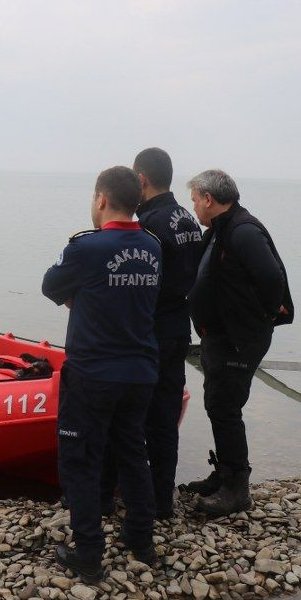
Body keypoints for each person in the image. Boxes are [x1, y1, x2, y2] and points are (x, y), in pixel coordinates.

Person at [42, 166, 161, 584]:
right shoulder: (153, 246)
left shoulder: (85, 248)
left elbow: (50, 286)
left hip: (94, 372)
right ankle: (141, 540)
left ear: (100, 199)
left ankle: (89, 554)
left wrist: (83, 294)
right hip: (141, 371)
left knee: (81, 460)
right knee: (132, 452)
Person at [184, 170, 293, 516]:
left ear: (208, 199)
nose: (194, 208)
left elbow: (272, 277)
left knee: (225, 405)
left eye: (194, 200)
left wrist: (258, 319)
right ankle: (225, 472)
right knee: (218, 402)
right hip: (222, 336)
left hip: (239, 339)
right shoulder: (222, 229)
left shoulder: (243, 231)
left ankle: (237, 490)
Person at [101, 148, 202, 520]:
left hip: (148, 333)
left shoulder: (149, 226)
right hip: (179, 328)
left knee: (126, 416)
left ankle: (117, 496)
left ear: (140, 180)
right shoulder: (187, 219)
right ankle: (161, 498)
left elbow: (135, 283)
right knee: (165, 418)